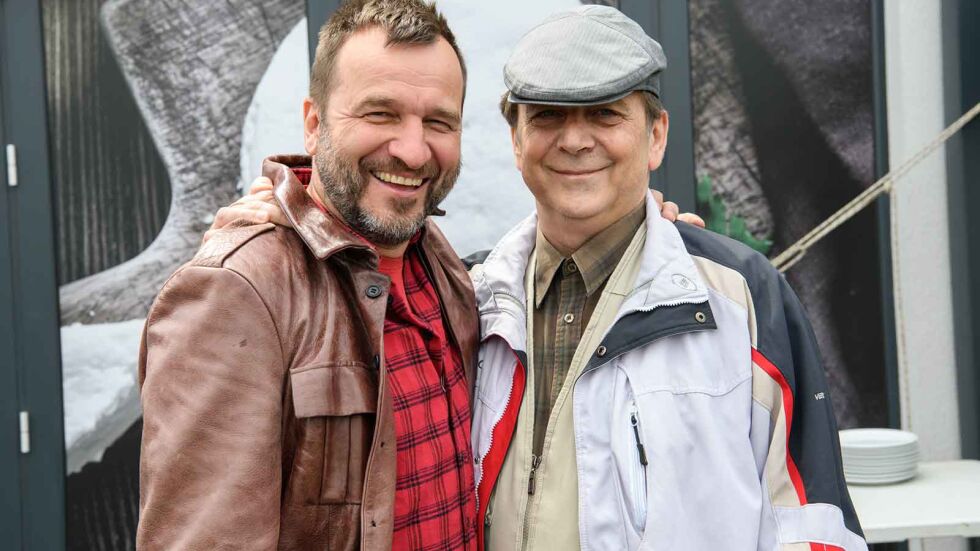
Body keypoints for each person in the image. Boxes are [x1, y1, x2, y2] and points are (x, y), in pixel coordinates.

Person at [219, 5, 867, 551]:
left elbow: (813, 525)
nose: (575, 141)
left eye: (606, 115)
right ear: (515, 138)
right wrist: (284, 219)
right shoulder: (469, 296)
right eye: (549, 116)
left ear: (656, 136)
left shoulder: (740, 299)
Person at [140, 1, 692, 549]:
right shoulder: (238, 290)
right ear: (313, 123)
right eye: (380, 114)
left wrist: (648, 239)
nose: (411, 151)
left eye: (437, 122)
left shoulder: (450, 271)